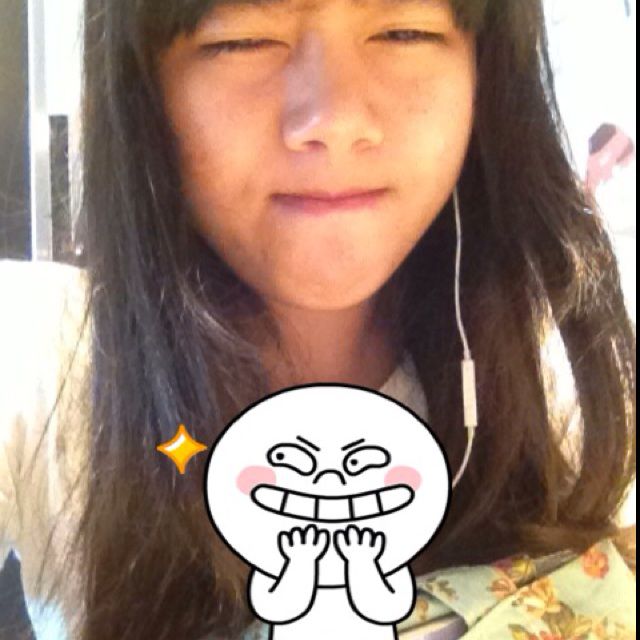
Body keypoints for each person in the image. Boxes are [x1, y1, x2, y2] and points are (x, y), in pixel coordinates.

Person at [0, 0, 635, 639]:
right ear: (143, 87)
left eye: (404, 31)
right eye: (241, 40)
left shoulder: (564, 383)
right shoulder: (40, 358)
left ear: (485, 76)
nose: (334, 119)